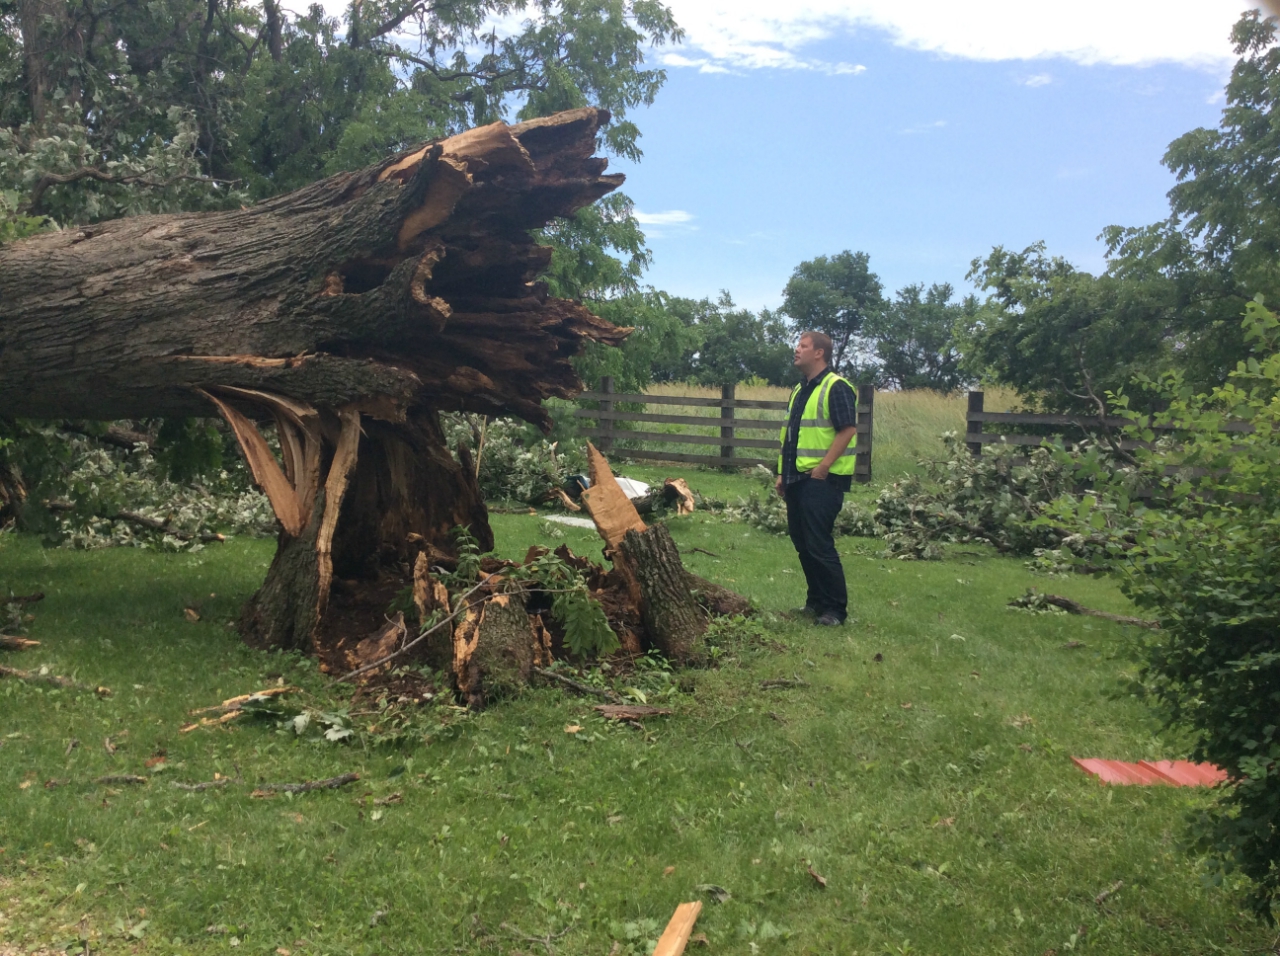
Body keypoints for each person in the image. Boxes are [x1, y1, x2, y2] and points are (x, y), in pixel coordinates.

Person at [774, 331, 858, 626]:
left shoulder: (837, 387)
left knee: (819, 544)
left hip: (822, 480)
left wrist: (824, 467)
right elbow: (791, 435)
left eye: (803, 346)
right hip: (796, 478)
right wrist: (782, 474)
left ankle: (835, 610)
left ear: (819, 353)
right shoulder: (799, 390)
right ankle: (816, 602)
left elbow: (848, 430)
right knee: (803, 542)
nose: (796, 350)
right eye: (798, 345)